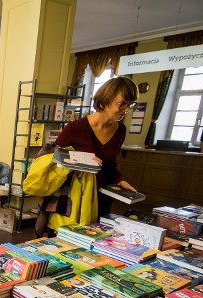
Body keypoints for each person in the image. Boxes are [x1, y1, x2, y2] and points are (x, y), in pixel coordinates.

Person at [54, 76, 139, 217]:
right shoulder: (75, 128)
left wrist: (119, 180)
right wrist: (82, 160)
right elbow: (52, 158)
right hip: (73, 200)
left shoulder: (120, 131)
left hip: (101, 199)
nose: (126, 110)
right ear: (106, 99)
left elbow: (110, 165)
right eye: (122, 103)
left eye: (130, 105)